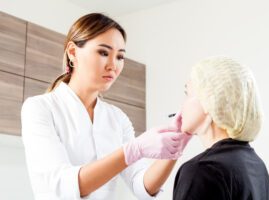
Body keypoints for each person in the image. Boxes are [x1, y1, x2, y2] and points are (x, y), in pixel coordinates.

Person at [21, 13, 190, 200]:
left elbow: (142, 186)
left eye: (120, 57)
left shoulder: (117, 118)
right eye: (103, 52)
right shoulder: (39, 108)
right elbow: (65, 185)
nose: (113, 65)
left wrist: (178, 141)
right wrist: (133, 149)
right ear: (72, 52)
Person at [173, 56, 269, 200]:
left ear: (210, 100)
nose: (182, 106)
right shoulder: (256, 165)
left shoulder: (201, 170)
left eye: (187, 94)